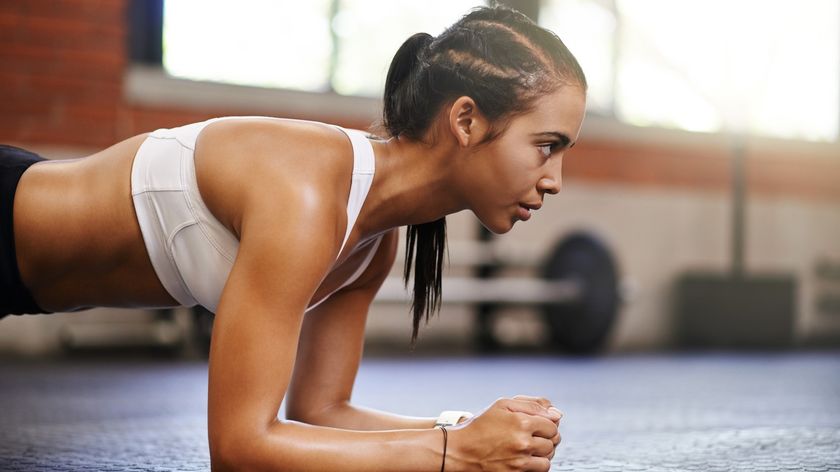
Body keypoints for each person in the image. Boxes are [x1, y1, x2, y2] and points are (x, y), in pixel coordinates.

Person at [1, 5, 586, 471]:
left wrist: (464, 432)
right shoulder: (307, 196)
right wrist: (454, 455)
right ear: (465, 122)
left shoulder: (372, 244)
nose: (555, 180)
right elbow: (238, 449)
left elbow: (321, 413)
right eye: (546, 145)